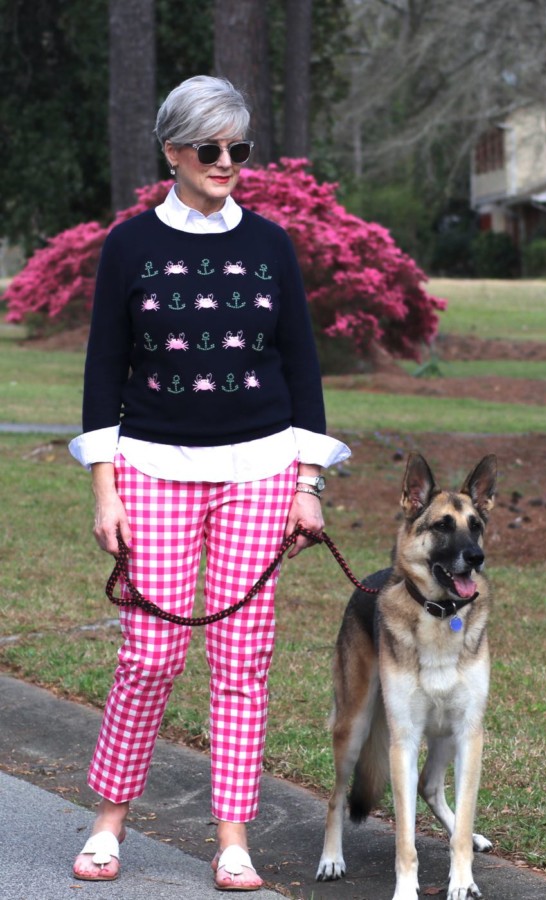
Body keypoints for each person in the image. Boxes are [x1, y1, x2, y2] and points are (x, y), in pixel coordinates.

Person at [69, 74, 350, 891]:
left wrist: (308, 484)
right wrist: (105, 490)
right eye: (210, 148)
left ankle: (233, 840)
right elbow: (101, 374)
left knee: (243, 658)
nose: (227, 161)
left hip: (260, 469)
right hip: (152, 469)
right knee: (150, 656)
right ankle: (108, 822)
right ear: (173, 152)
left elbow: (301, 363)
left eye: (239, 147)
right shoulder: (128, 245)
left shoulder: (268, 244)